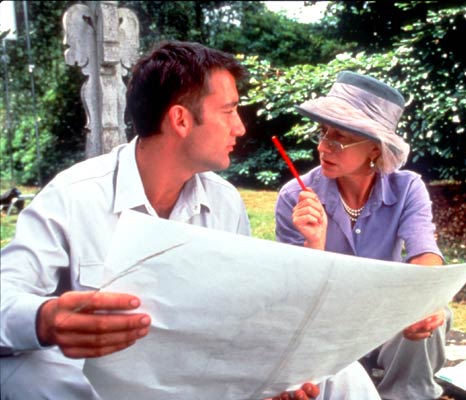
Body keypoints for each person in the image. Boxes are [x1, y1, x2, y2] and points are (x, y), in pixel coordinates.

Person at [0, 41, 379, 400]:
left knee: (343, 374)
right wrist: (47, 319)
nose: (241, 128)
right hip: (104, 386)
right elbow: (5, 295)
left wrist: (275, 377)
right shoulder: (73, 195)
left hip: (204, 379)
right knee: (32, 373)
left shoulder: (224, 202)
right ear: (181, 119)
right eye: (229, 111)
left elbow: (247, 318)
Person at [275, 71, 451, 400]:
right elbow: (295, 295)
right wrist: (315, 242)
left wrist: (424, 302)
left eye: (338, 137)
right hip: (326, 320)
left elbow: (424, 251)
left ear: (374, 149)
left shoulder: (407, 187)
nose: (323, 146)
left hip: (386, 319)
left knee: (431, 314)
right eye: (323, 133)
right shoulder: (294, 197)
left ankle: (408, 395)